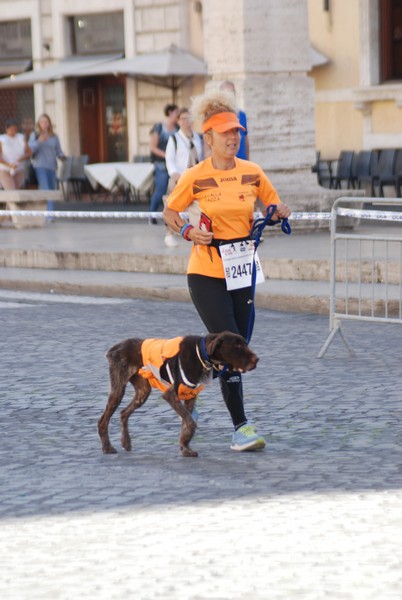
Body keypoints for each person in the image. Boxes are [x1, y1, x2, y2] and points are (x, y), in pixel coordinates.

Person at [163, 88, 291, 452]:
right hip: (205, 272)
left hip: (243, 268)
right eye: (225, 133)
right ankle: (241, 429)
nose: (233, 138)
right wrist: (188, 231)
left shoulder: (252, 173)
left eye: (236, 132)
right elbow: (169, 213)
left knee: (238, 343)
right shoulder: (195, 175)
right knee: (233, 344)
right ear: (208, 138)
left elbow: (274, 202)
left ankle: (189, 390)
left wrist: (280, 211)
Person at [163, 107, 204, 247]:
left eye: (189, 118)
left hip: (196, 179)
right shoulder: (174, 139)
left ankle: (198, 231)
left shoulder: (198, 137)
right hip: (179, 178)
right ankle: (169, 234)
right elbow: (169, 159)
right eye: (184, 119)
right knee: (173, 207)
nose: (187, 122)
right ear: (178, 121)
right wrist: (175, 174)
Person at [148, 103, 179, 225]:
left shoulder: (177, 128)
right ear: (170, 113)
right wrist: (167, 155)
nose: (177, 116)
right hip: (161, 164)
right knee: (160, 190)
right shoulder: (159, 127)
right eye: (176, 113)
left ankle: (170, 218)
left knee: (173, 191)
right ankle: (151, 215)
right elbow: (152, 147)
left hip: (174, 165)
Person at [28, 113, 65, 211]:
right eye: (42, 122)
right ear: (38, 124)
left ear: (49, 124)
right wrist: (39, 141)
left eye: (46, 122)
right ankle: (49, 214)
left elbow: (58, 150)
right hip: (39, 166)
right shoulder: (35, 135)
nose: (44, 124)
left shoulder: (54, 136)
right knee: (45, 189)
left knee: (52, 191)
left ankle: (47, 211)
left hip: (52, 166)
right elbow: (29, 150)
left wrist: (62, 156)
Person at [219, 80, 249, 160]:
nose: (230, 96)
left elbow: (245, 138)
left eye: (233, 93)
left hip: (241, 160)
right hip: (225, 162)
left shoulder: (241, 114)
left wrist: (248, 160)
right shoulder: (217, 116)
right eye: (227, 93)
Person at [0, 118, 31, 190]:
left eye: (15, 129)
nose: (13, 132)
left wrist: (20, 159)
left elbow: (29, 152)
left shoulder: (21, 137)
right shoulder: (2, 139)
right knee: (11, 190)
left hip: (19, 168)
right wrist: (9, 164)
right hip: (5, 169)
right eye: (11, 129)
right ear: (6, 129)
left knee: (17, 191)